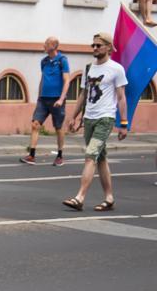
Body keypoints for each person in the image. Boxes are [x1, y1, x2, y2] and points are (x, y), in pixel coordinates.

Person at [63, 31, 127, 212]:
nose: (95, 48)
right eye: (93, 45)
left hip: (105, 118)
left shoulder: (116, 69)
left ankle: (80, 197)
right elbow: (83, 94)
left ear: (108, 47)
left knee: (91, 155)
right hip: (89, 119)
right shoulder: (89, 68)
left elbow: (121, 97)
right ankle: (109, 198)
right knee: (101, 158)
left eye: (98, 45)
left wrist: (123, 123)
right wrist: (74, 116)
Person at [20, 37, 71, 165]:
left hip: (57, 100)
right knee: (35, 124)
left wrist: (61, 98)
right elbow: (43, 79)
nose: (44, 45)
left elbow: (67, 80)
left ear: (54, 46)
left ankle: (59, 156)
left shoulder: (62, 61)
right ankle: (31, 155)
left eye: (46, 44)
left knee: (58, 128)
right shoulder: (44, 61)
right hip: (43, 99)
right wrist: (39, 96)